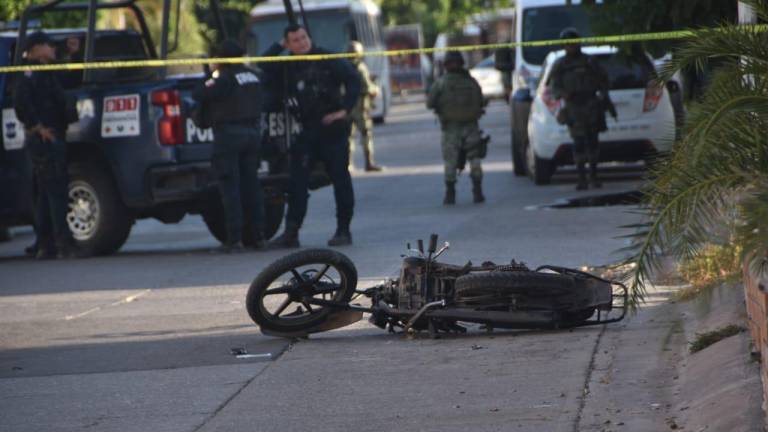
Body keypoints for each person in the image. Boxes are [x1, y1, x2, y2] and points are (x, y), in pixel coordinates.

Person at [261, 24, 361, 248]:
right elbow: (263, 65)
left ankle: (343, 230)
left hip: (332, 129)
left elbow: (354, 80)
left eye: (304, 37)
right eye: (295, 40)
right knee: (297, 183)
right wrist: (279, 46)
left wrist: (343, 110)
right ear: (288, 43)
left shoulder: (327, 57)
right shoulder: (286, 64)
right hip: (307, 130)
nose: (301, 42)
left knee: (340, 179)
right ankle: (291, 233)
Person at [192, 39, 266, 253]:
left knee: (230, 188)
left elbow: (199, 93)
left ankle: (234, 240)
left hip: (229, 137)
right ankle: (259, 237)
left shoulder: (224, 79)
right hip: (252, 134)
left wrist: (209, 73)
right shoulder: (254, 76)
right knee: (252, 187)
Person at [14, 31, 76, 259]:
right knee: (56, 192)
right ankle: (62, 244)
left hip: (52, 134)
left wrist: (70, 53)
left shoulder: (46, 71)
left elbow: (69, 80)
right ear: (36, 49)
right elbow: (22, 104)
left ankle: (45, 243)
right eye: (48, 46)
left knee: (44, 194)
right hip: (44, 139)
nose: (52, 49)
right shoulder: (28, 74)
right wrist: (39, 128)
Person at [549, 28, 616, 190]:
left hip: (591, 105)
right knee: (578, 143)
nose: (571, 47)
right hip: (573, 107)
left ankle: (594, 176)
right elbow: (554, 87)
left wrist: (602, 96)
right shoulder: (561, 64)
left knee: (593, 143)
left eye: (573, 43)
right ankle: (581, 178)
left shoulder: (590, 62)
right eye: (568, 44)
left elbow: (604, 80)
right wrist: (564, 94)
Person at [427, 51, 487, 205]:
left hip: (450, 128)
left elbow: (430, 102)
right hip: (471, 126)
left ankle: (450, 193)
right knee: (474, 158)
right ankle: (478, 191)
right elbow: (481, 101)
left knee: (450, 161)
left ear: (446, 65)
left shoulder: (441, 83)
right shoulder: (471, 82)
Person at [347, 41, 382, 172]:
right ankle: (369, 163)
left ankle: (348, 164)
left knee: (348, 137)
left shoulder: (343, 65)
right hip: (360, 107)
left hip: (347, 107)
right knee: (366, 134)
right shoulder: (361, 67)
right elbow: (368, 88)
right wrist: (376, 89)